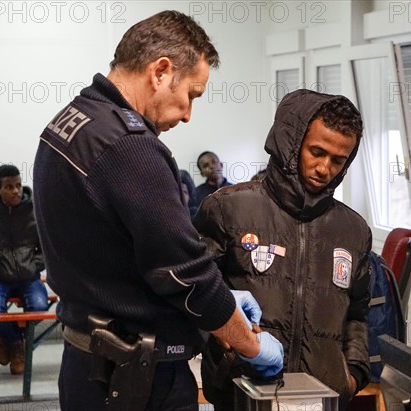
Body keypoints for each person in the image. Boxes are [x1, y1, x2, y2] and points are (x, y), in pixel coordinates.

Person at [33, 10, 282, 411]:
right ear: (161, 71)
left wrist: (224, 300)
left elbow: (112, 245)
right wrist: (249, 343)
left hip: (85, 359)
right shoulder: (131, 147)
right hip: (135, 378)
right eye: (191, 95)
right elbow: (185, 273)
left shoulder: (72, 120)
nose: (187, 114)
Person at [194, 89, 372, 410]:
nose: (324, 168)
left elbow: (357, 315)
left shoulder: (353, 231)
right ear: (291, 145)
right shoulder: (227, 209)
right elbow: (194, 293)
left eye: (337, 160)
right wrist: (224, 355)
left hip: (322, 399)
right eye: (316, 152)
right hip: (242, 394)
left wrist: (353, 374)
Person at [0, 164, 48, 375]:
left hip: (28, 277)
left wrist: (33, 265)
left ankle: (10, 338)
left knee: (40, 308)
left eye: (18, 185)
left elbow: (47, 247)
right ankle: (15, 342)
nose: (16, 191)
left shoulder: (35, 212)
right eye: (9, 187)